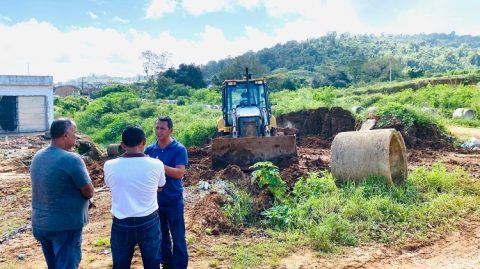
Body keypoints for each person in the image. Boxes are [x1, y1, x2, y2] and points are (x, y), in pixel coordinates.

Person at [30, 118, 94, 268]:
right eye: (74, 132)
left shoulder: (38, 156)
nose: (76, 136)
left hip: (41, 224)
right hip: (64, 225)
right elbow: (88, 191)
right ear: (65, 135)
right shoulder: (71, 159)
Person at [104, 126, 166, 268]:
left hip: (121, 222)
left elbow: (110, 185)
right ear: (144, 141)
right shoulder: (157, 164)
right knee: (153, 264)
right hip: (149, 221)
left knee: (120, 265)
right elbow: (160, 186)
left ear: (122, 145)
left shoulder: (109, 165)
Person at [144, 116, 188, 269]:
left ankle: (180, 266)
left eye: (162, 128)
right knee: (161, 236)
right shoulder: (150, 149)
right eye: (157, 128)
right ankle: (167, 264)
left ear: (170, 130)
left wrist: (159, 165)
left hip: (174, 200)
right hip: (155, 201)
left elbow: (179, 173)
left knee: (178, 236)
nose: (159, 131)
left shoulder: (179, 149)